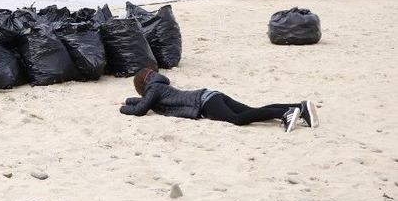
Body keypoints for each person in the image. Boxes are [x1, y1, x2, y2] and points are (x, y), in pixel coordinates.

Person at [119, 67, 319, 133]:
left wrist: (123, 110)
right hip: (211, 95)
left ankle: (284, 113)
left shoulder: (154, 89)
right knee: (250, 110)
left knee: (238, 120)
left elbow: (140, 110)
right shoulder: (159, 87)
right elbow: (143, 103)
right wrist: (128, 101)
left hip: (205, 103)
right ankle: (299, 107)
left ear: (144, 86)